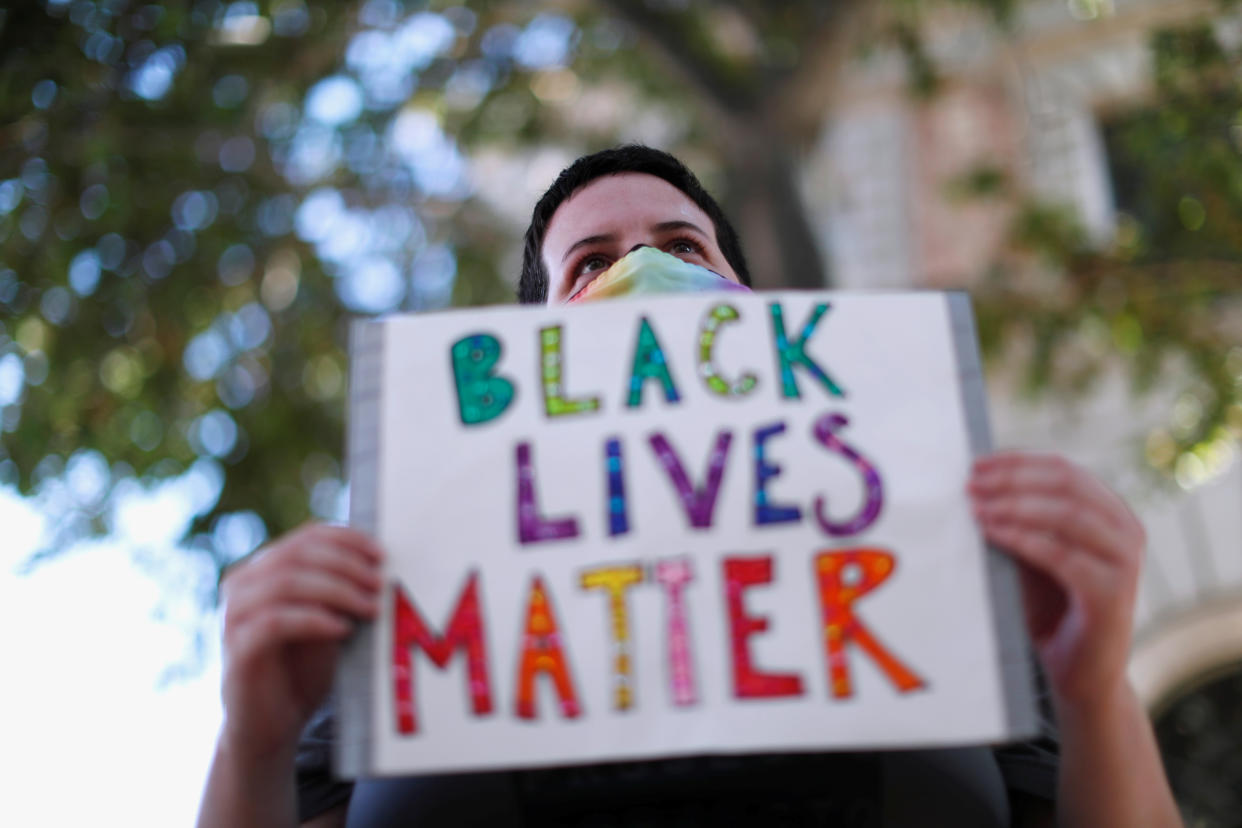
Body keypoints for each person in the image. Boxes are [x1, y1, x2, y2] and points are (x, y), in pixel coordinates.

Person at [197, 146, 1182, 827]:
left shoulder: (938, 570)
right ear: (526, 353)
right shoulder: (403, 602)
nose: (642, 271)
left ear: (754, 308)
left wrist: (1094, 689)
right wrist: (255, 740)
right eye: (590, 264)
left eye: (682, 249)